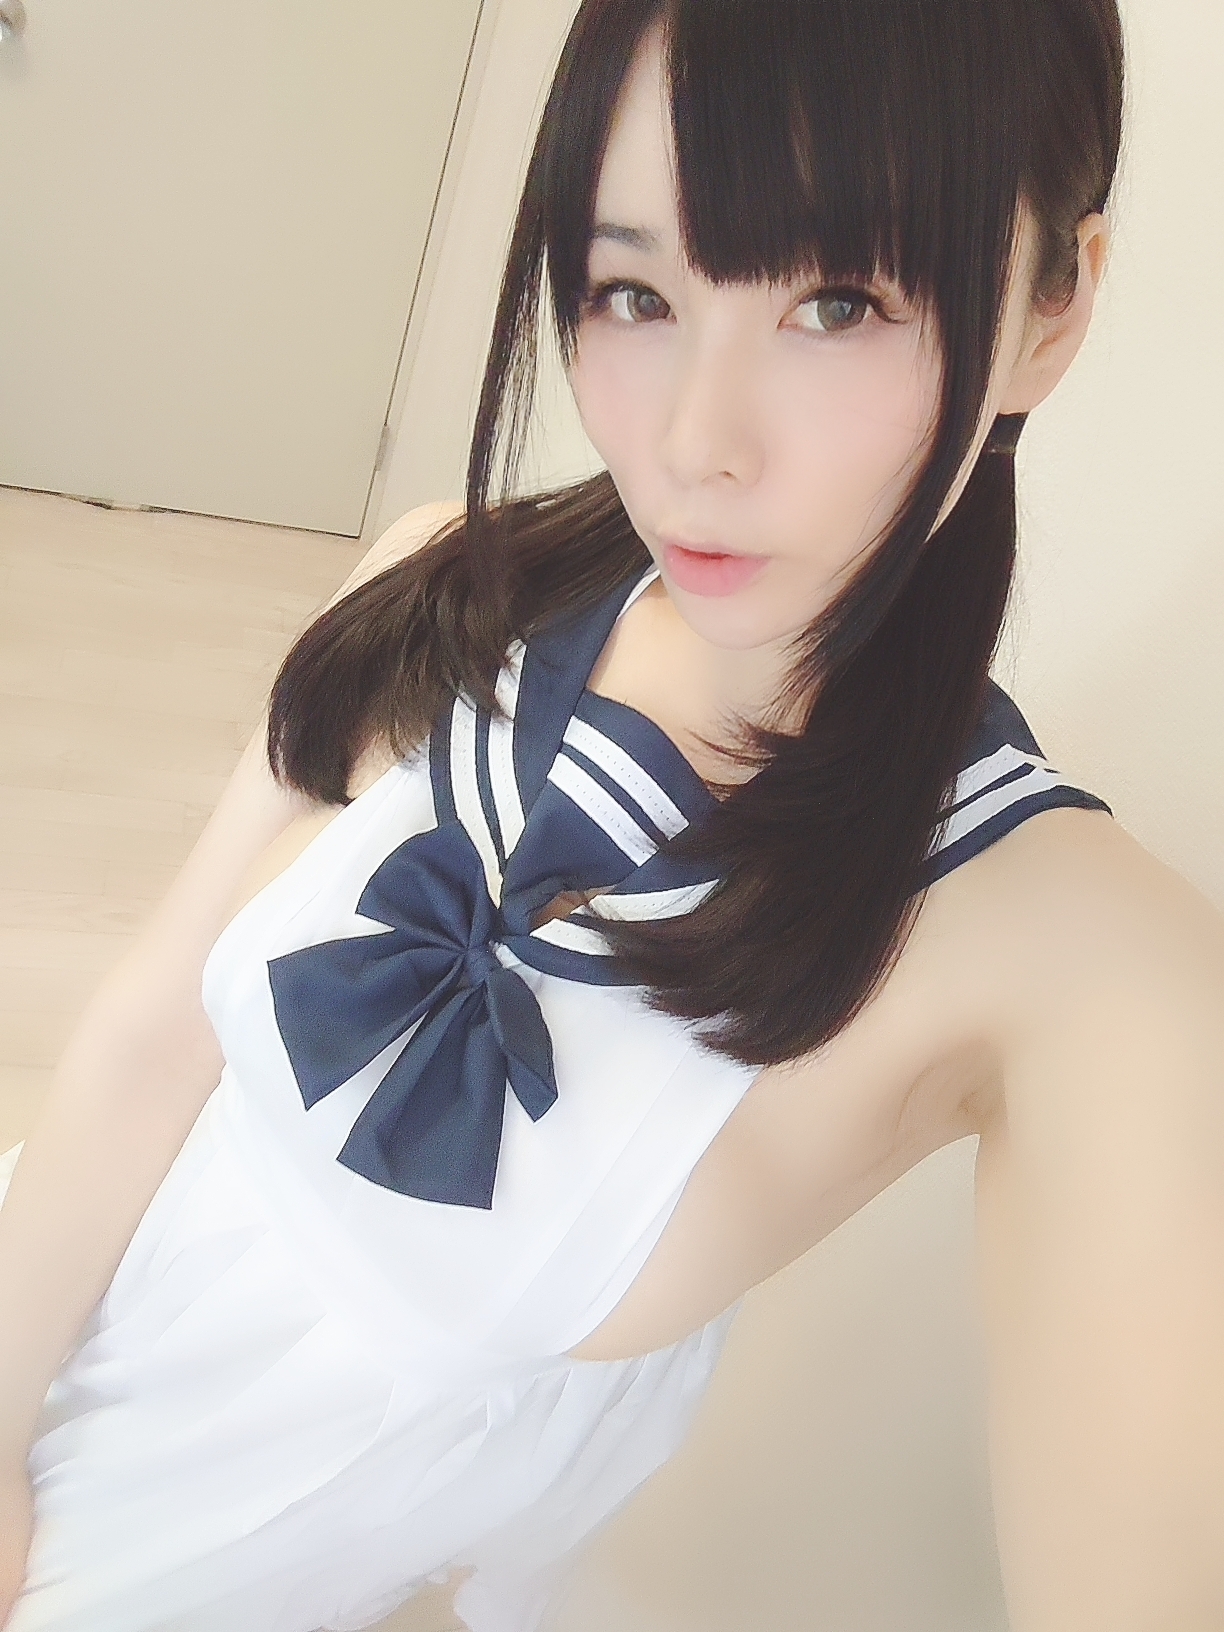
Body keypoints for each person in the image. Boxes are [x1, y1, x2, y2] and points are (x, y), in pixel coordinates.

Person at [2, 0, 1221, 1628]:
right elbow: (155, 1037)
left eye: (840, 301)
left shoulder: (1081, 955)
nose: (694, 443)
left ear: (1051, 308)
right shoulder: (450, 581)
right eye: (635, 291)